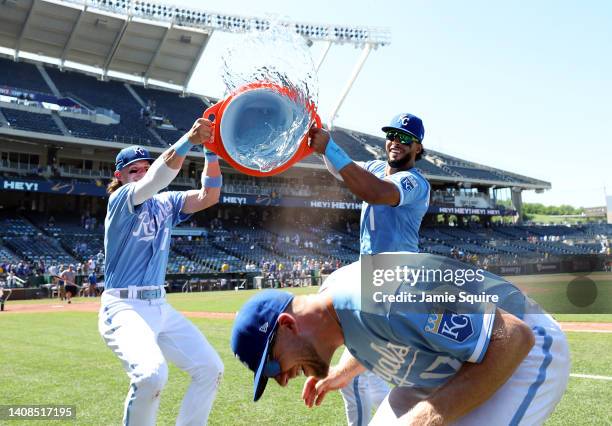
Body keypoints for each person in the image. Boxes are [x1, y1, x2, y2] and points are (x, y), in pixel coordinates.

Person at [231, 255, 570, 425]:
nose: (281, 379)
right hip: (451, 358)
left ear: (288, 325)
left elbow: (511, 337)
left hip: (524, 347)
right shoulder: (335, 304)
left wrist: (424, 420)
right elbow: (380, 335)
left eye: (273, 364)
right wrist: (341, 374)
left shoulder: (385, 295)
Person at [99, 118, 224, 426]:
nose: (140, 174)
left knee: (210, 369)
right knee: (152, 376)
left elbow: (209, 196)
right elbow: (156, 179)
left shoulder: (165, 204)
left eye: (144, 167)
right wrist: (188, 140)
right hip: (124, 305)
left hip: (160, 305)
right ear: (120, 176)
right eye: (134, 170)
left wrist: (210, 153)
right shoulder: (120, 200)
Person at [308, 113, 430, 425]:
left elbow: (375, 192)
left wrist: (330, 147)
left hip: (396, 281)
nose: (396, 142)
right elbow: (341, 171)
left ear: (418, 147)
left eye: (405, 138)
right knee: (368, 374)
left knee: (356, 378)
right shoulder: (375, 166)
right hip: (372, 277)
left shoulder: (415, 182)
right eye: (392, 135)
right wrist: (322, 148)